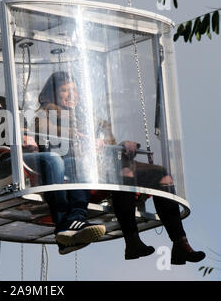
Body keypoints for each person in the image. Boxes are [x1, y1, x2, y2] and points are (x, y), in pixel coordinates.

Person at [36, 71, 205, 264]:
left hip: (104, 167)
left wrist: (123, 144)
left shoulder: (89, 117)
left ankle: (180, 242)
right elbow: (41, 130)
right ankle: (132, 240)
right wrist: (75, 134)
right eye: (65, 90)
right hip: (78, 172)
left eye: (75, 90)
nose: (71, 95)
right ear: (54, 94)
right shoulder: (47, 112)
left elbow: (109, 143)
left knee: (160, 174)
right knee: (123, 175)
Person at [0, 54, 106, 255]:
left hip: (20, 158)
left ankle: (76, 217)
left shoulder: (7, 102)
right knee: (53, 160)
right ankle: (63, 223)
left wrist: (33, 142)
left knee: (75, 163)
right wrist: (18, 142)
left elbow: (27, 131)